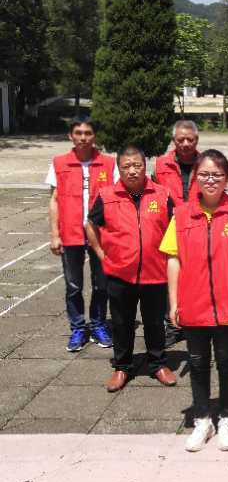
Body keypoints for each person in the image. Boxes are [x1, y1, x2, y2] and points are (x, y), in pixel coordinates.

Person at [160, 150, 228, 452]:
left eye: (217, 175)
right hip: (193, 302)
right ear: (196, 177)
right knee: (197, 362)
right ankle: (202, 419)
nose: (211, 180)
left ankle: (226, 418)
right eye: (205, 175)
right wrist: (173, 302)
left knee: (226, 361)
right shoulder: (182, 214)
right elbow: (173, 259)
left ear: (226, 179)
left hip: (227, 303)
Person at [85, 145, 177, 392]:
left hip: (155, 273)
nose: (133, 171)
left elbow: (176, 227)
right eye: (126, 166)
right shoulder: (106, 196)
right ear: (119, 169)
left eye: (137, 165)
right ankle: (122, 366)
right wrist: (102, 254)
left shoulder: (162, 194)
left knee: (155, 322)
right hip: (120, 274)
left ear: (145, 167)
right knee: (121, 323)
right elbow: (91, 225)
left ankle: (158, 363)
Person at [46, 117, 118, 352]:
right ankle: (78, 327)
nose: (83, 137)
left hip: (101, 234)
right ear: (71, 136)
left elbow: (118, 200)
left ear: (94, 136)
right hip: (70, 233)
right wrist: (54, 234)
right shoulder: (59, 163)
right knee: (73, 285)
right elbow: (54, 200)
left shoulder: (108, 163)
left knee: (102, 284)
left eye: (88, 133)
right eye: (78, 133)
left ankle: (98, 324)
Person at [153, 119, 201, 348]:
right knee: (169, 278)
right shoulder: (161, 164)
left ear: (197, 140)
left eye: (190, 139)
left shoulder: (206, 162)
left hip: (198, 228)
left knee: (195, 278)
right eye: (181, 139)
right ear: (174, 140)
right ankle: (172, 325)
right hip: (168, 229)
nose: (185, 144)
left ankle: (193, 323)